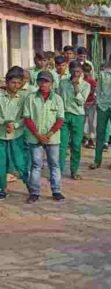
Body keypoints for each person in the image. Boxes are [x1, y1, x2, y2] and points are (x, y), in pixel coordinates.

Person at [23, 70, 65, 203]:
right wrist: (38, 135)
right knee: (36, 165)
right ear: (37, 82)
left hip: (52, 138)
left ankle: (56, 191)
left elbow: (60, 120)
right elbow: (27, 118)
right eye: (41, 81)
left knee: (54, 164)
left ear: (52, 83)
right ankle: (34, 192)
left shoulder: (57, 99)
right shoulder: (31, 98)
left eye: (46, 81)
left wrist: (49, 134)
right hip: (35, 136)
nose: (43, 84)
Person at [0, 67, 30, 200]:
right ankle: (2, 188)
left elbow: (26, 117)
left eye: (19, 83)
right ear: (7, 82)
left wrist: (15, 125)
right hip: (1, 134)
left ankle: (31, 186)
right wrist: (5, 123)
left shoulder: (24, 97)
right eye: (13, 83)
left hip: (17, 135)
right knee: (1, 163)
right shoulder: (0, 96)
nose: (16, 86)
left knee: (20, 162)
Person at [57, 61, 90, 179]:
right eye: (74, 71)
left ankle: (74, 170)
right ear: (69, 71)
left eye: (78, 71)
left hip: (78, 115)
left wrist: (76, 87)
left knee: (76, 144)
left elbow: (81, 101)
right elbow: (58, 98)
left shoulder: (86, 85)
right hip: (64, 114)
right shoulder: (63, 83)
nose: (76, 74)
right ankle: (58, 171)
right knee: (62, 144)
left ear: (82, 72)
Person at [90, 52, 111, 169]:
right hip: (103, 107)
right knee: (100, 134)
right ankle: (97, 161)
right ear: (109, 61)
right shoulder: (103, 74)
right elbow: (98, 90)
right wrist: (98, 102)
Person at [82, 62, 97, 149]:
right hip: (82, 103)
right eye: (84, 71)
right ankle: (85, 138)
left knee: (92, 122)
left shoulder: (92, 81)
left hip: (91, 103)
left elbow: (94, 92)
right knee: (83, 122)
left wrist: (93, 101)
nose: (85, 73)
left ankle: (92, 139)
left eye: (87, 71)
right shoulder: (80, 81)